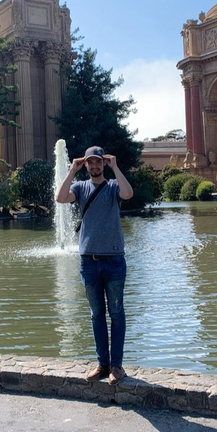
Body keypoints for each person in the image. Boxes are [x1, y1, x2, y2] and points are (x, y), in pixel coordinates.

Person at [55, 145, 134, 385]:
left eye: (98, 162)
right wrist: (71, 169)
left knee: (117, 313)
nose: (95, 166)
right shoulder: (79, 187)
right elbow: (60, 198)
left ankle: (117, 366)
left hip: (113, 261)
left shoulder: (112, 187)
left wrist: (116, 166)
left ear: (103, 163)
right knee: (96, 315)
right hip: (88, 262)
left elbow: (128, 193)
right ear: (86, 165)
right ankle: (102, 364)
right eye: (90, 162)